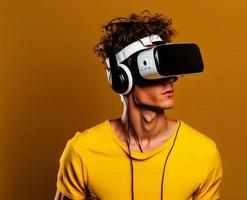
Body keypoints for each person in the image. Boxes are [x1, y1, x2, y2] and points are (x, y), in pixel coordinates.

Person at [54, 11, 223, 200]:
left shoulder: (203, 153)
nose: (170, 79)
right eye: (154, 70)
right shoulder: (82, 151)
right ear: (122, 78)